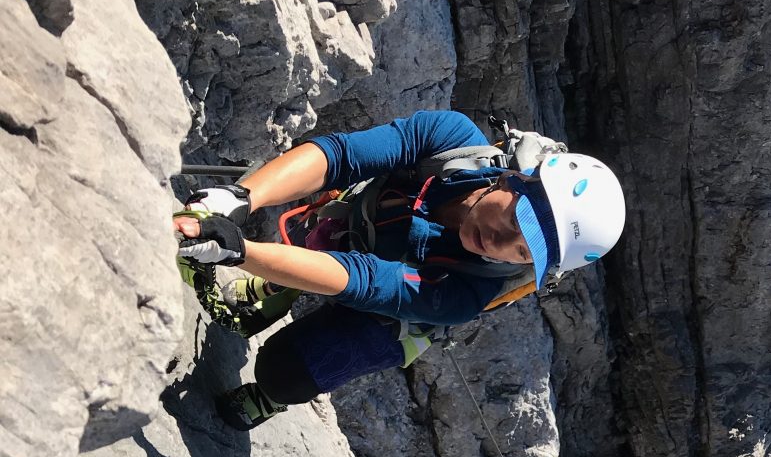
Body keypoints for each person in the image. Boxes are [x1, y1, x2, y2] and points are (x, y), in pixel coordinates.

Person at [173, 109, 626, 429]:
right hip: (360, 228)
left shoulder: (466, 294)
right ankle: (271, 286)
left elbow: (366, 281)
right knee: (321, 241)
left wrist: (238, 250)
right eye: (514, 219)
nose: (499, 243)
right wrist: (239, 197)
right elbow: (342, 156)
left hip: (391, 318)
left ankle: (270, 395)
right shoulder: (453, 141)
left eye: (523, 252)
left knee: (284, 371)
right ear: (514, 178)